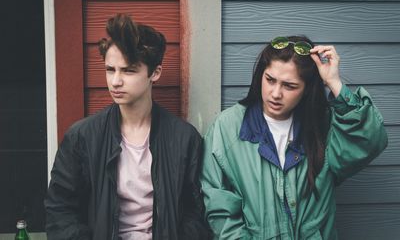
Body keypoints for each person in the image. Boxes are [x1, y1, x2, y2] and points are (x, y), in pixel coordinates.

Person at [200, 36, 388, 239]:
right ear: (260, 76)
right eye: (270, 80)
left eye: (289, 86)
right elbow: (219, 209)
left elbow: (368, 142)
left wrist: (333, 82)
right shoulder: (227, 128)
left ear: (307, 89)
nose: (275, 93)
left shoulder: (324, 126)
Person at [45, 14, 210, 240]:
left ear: (155, 73)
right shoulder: (82, 137)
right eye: (110, 69)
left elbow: (197, 212)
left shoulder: (184, 138)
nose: (115, 81)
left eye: (128, 70)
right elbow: (59, 211)